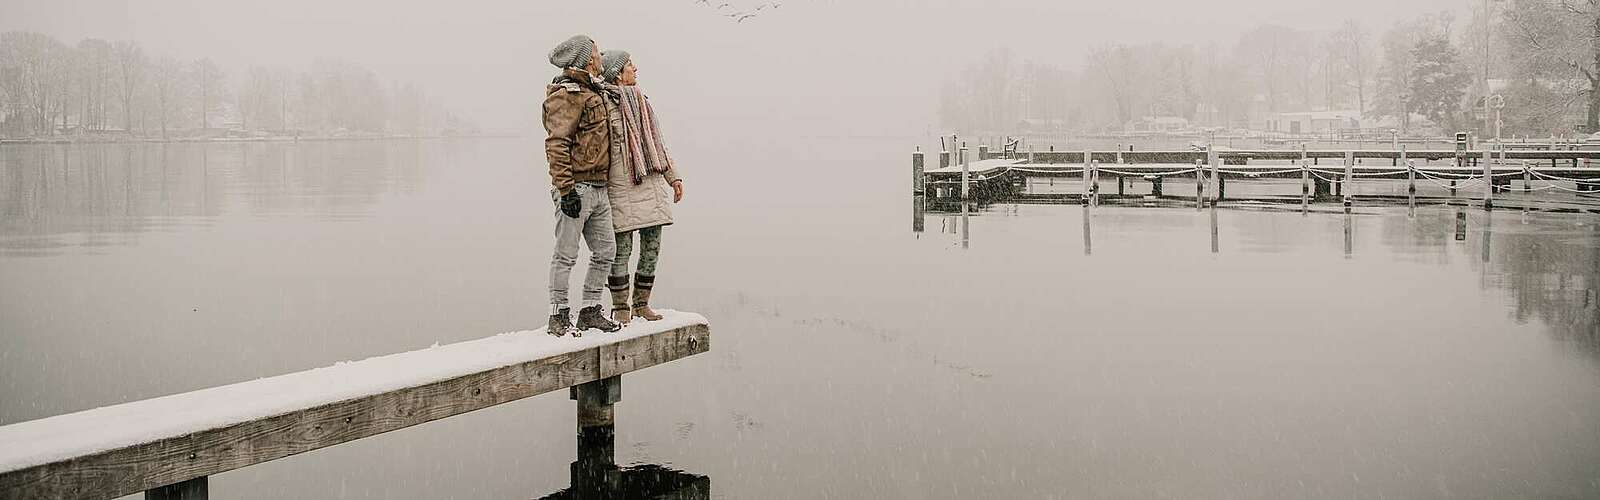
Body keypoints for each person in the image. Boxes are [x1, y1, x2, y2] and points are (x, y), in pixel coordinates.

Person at [543, 34, 623, 336]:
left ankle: (590, 310)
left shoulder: (595, 90)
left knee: (606, 251)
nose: (601, 55)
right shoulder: (567, 93)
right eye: (597, 52)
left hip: (599, 187)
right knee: (566, 254)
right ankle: (558, 314)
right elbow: (557, 143)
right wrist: (565, 190)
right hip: (576, 188)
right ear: (588, 58)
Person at [596, 50, 684, 324]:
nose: (636, 68)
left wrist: (674, 178)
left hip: (651, 182)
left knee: (651, 247)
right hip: (621, 186)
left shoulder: (643, 102)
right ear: (618, 73)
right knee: (621, 249)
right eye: (630, 64)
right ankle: (620, 306)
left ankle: (641, 304)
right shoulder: (603, 105)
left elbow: (659, 143)